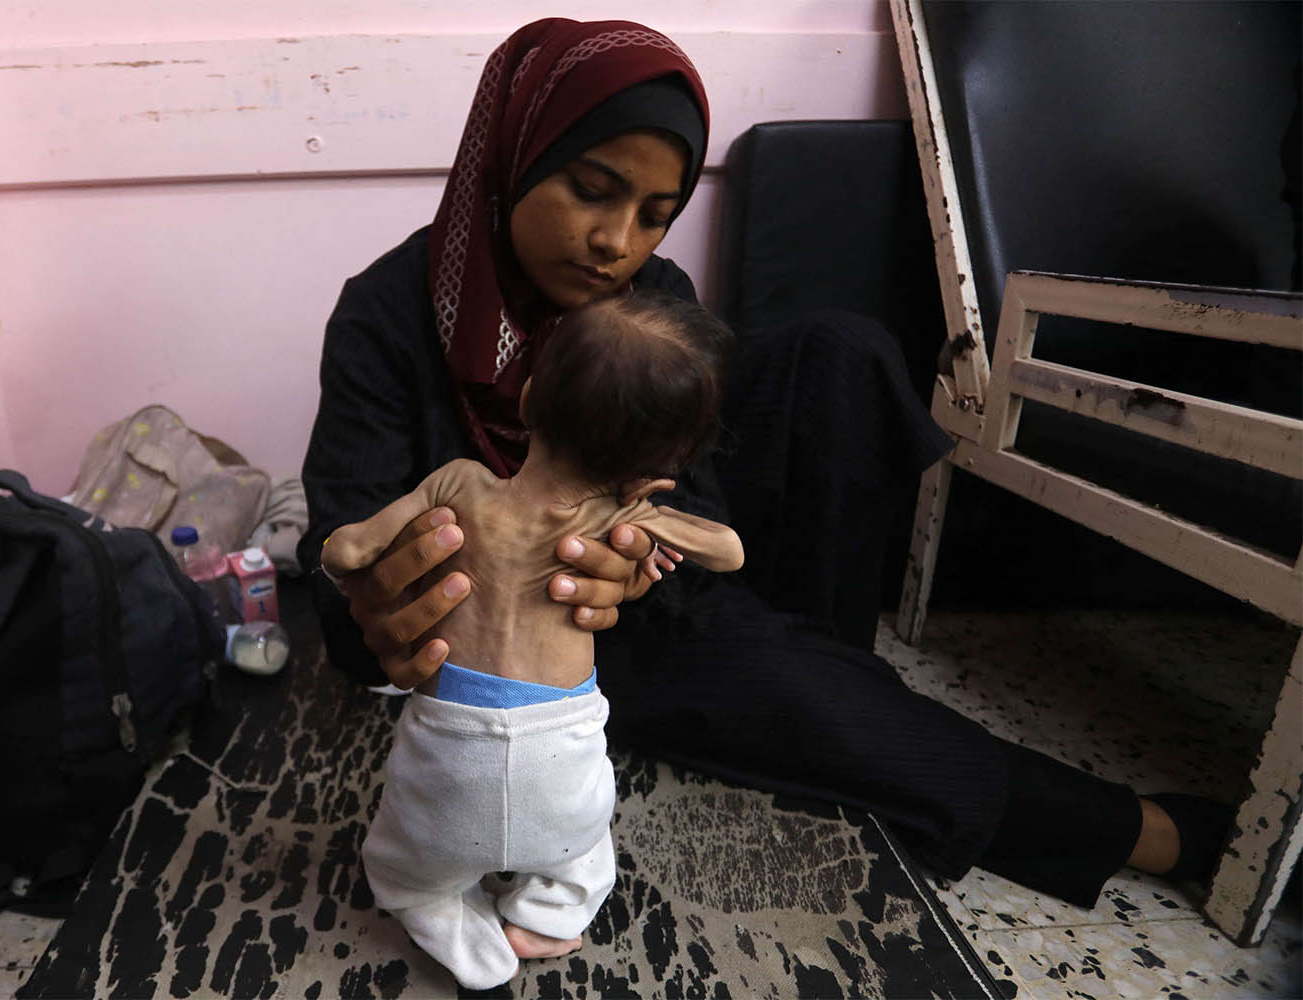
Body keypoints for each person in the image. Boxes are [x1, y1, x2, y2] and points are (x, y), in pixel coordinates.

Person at [300, 16, 1226, 925]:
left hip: (654, 609)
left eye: (657, 216)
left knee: (841, 351)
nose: (617, 241)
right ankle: (1138, 831)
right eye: (591, 189)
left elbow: (688, 502)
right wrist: (387, 605)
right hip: (517, 665)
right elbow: (338, 563)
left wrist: (635, 563)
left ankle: (822, 677)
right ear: (515, 154)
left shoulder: (650, 300)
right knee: (804, 696)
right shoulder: (388, 313)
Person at [324, 291, 743, 989]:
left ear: (525, 400)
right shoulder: (622, 516)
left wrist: (344, 555)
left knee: (408, 860)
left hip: (446, 757)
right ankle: (548, 912)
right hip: (563, 758)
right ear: (649, 468)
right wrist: (651, 516)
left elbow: (349, 551)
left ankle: (432, 903)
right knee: (584, 847)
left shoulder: (458, 483)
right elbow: (727, 551)